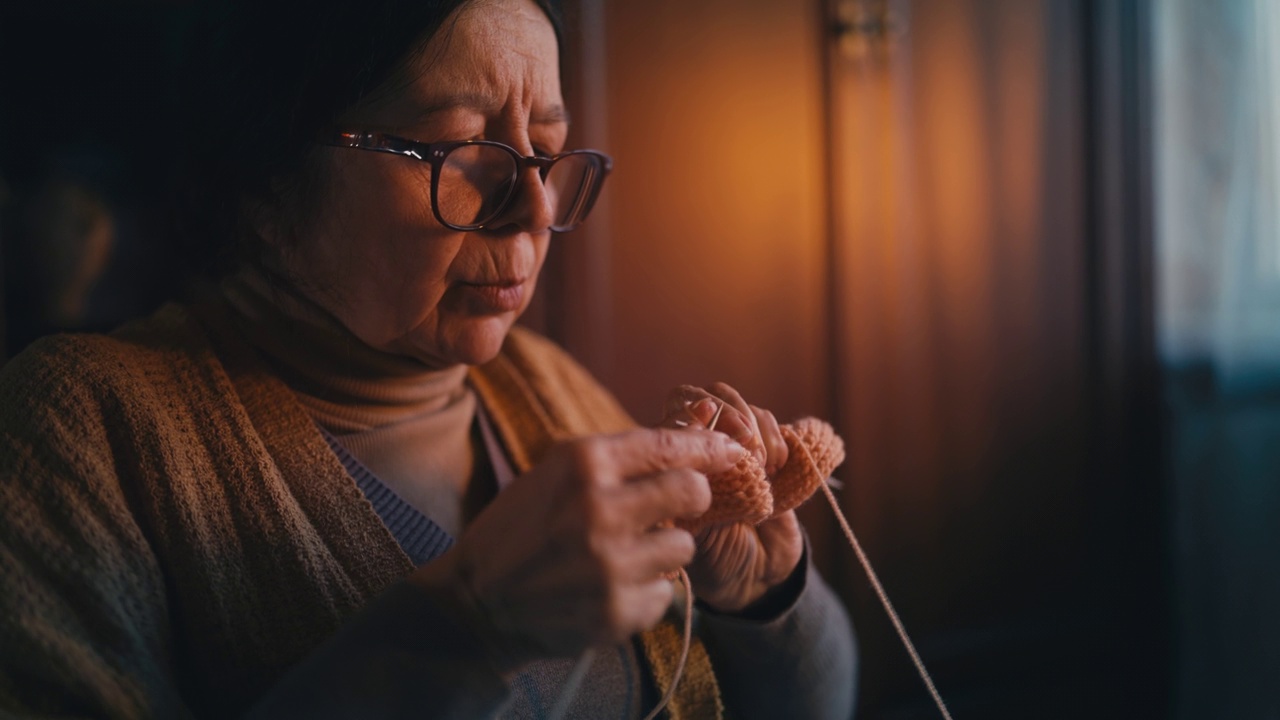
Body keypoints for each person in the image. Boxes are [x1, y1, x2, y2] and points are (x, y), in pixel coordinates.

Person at [0, 0, 857, 717]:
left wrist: (764, 598)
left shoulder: (541, 384)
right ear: (263, 182)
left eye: (546, 153)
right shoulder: (84, 428)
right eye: (460, 151)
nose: (530, 210)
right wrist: (465, 625)